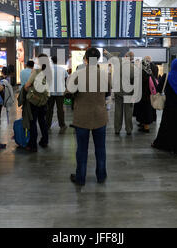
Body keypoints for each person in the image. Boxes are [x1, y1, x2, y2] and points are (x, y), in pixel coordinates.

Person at [70, 48, 110, 186]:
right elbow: (107, 93)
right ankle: (101, 176)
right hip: (100, 116)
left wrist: (72, 103)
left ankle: (81, 178)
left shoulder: (77, 75)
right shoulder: (105, 75)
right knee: (100, 148)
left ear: (85, 59)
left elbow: (67, 95)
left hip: (81, 117)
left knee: (81, 149)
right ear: (98, 59)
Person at [104, 50, 135, 135]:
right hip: (128, 93)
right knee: (128, 111)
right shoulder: (133, 67)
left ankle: (117, 129)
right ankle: (129, 129)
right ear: (131, 59)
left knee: (118, 110)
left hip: (118, 91)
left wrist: (107, 53)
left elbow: (112, 58)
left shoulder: (119, 63)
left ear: (125, 57)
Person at [24, 54, 49, 152]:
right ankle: (44, 141)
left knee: (32, 122)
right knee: (42, 121)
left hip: (34, 100)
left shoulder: (36, 71)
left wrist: (29, 91)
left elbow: (27, 85)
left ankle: (32, 145)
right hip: (44, 100)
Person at [133, 58, 157, 133]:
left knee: (142, 111)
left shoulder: (140, 73)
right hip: (148, 95)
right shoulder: (149, 73)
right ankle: (144, 125)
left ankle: (145, 127)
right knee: (147, 110)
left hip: (141, 95)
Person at [46, 56, 68, 131]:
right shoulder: (63, 69)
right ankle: (62, 125)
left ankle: (48, 125)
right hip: (60, 92)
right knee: (60, 109)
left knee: (49, 109)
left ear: (51, 61)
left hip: (50, 92)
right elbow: (66, 79)